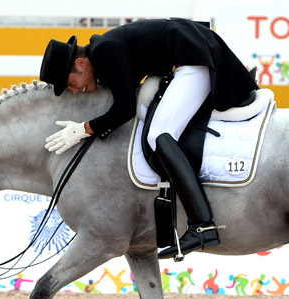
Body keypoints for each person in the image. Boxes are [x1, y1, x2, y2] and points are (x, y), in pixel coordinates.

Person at [40, 18, 259, 259]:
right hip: (189, 54)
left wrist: (84, 128)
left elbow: (125, 108)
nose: (74, 89)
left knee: (159, 134)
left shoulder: (104, 51)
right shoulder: (103, 53)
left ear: (80, 63)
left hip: (193, 59)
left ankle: (202, 224)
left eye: (71, 83)